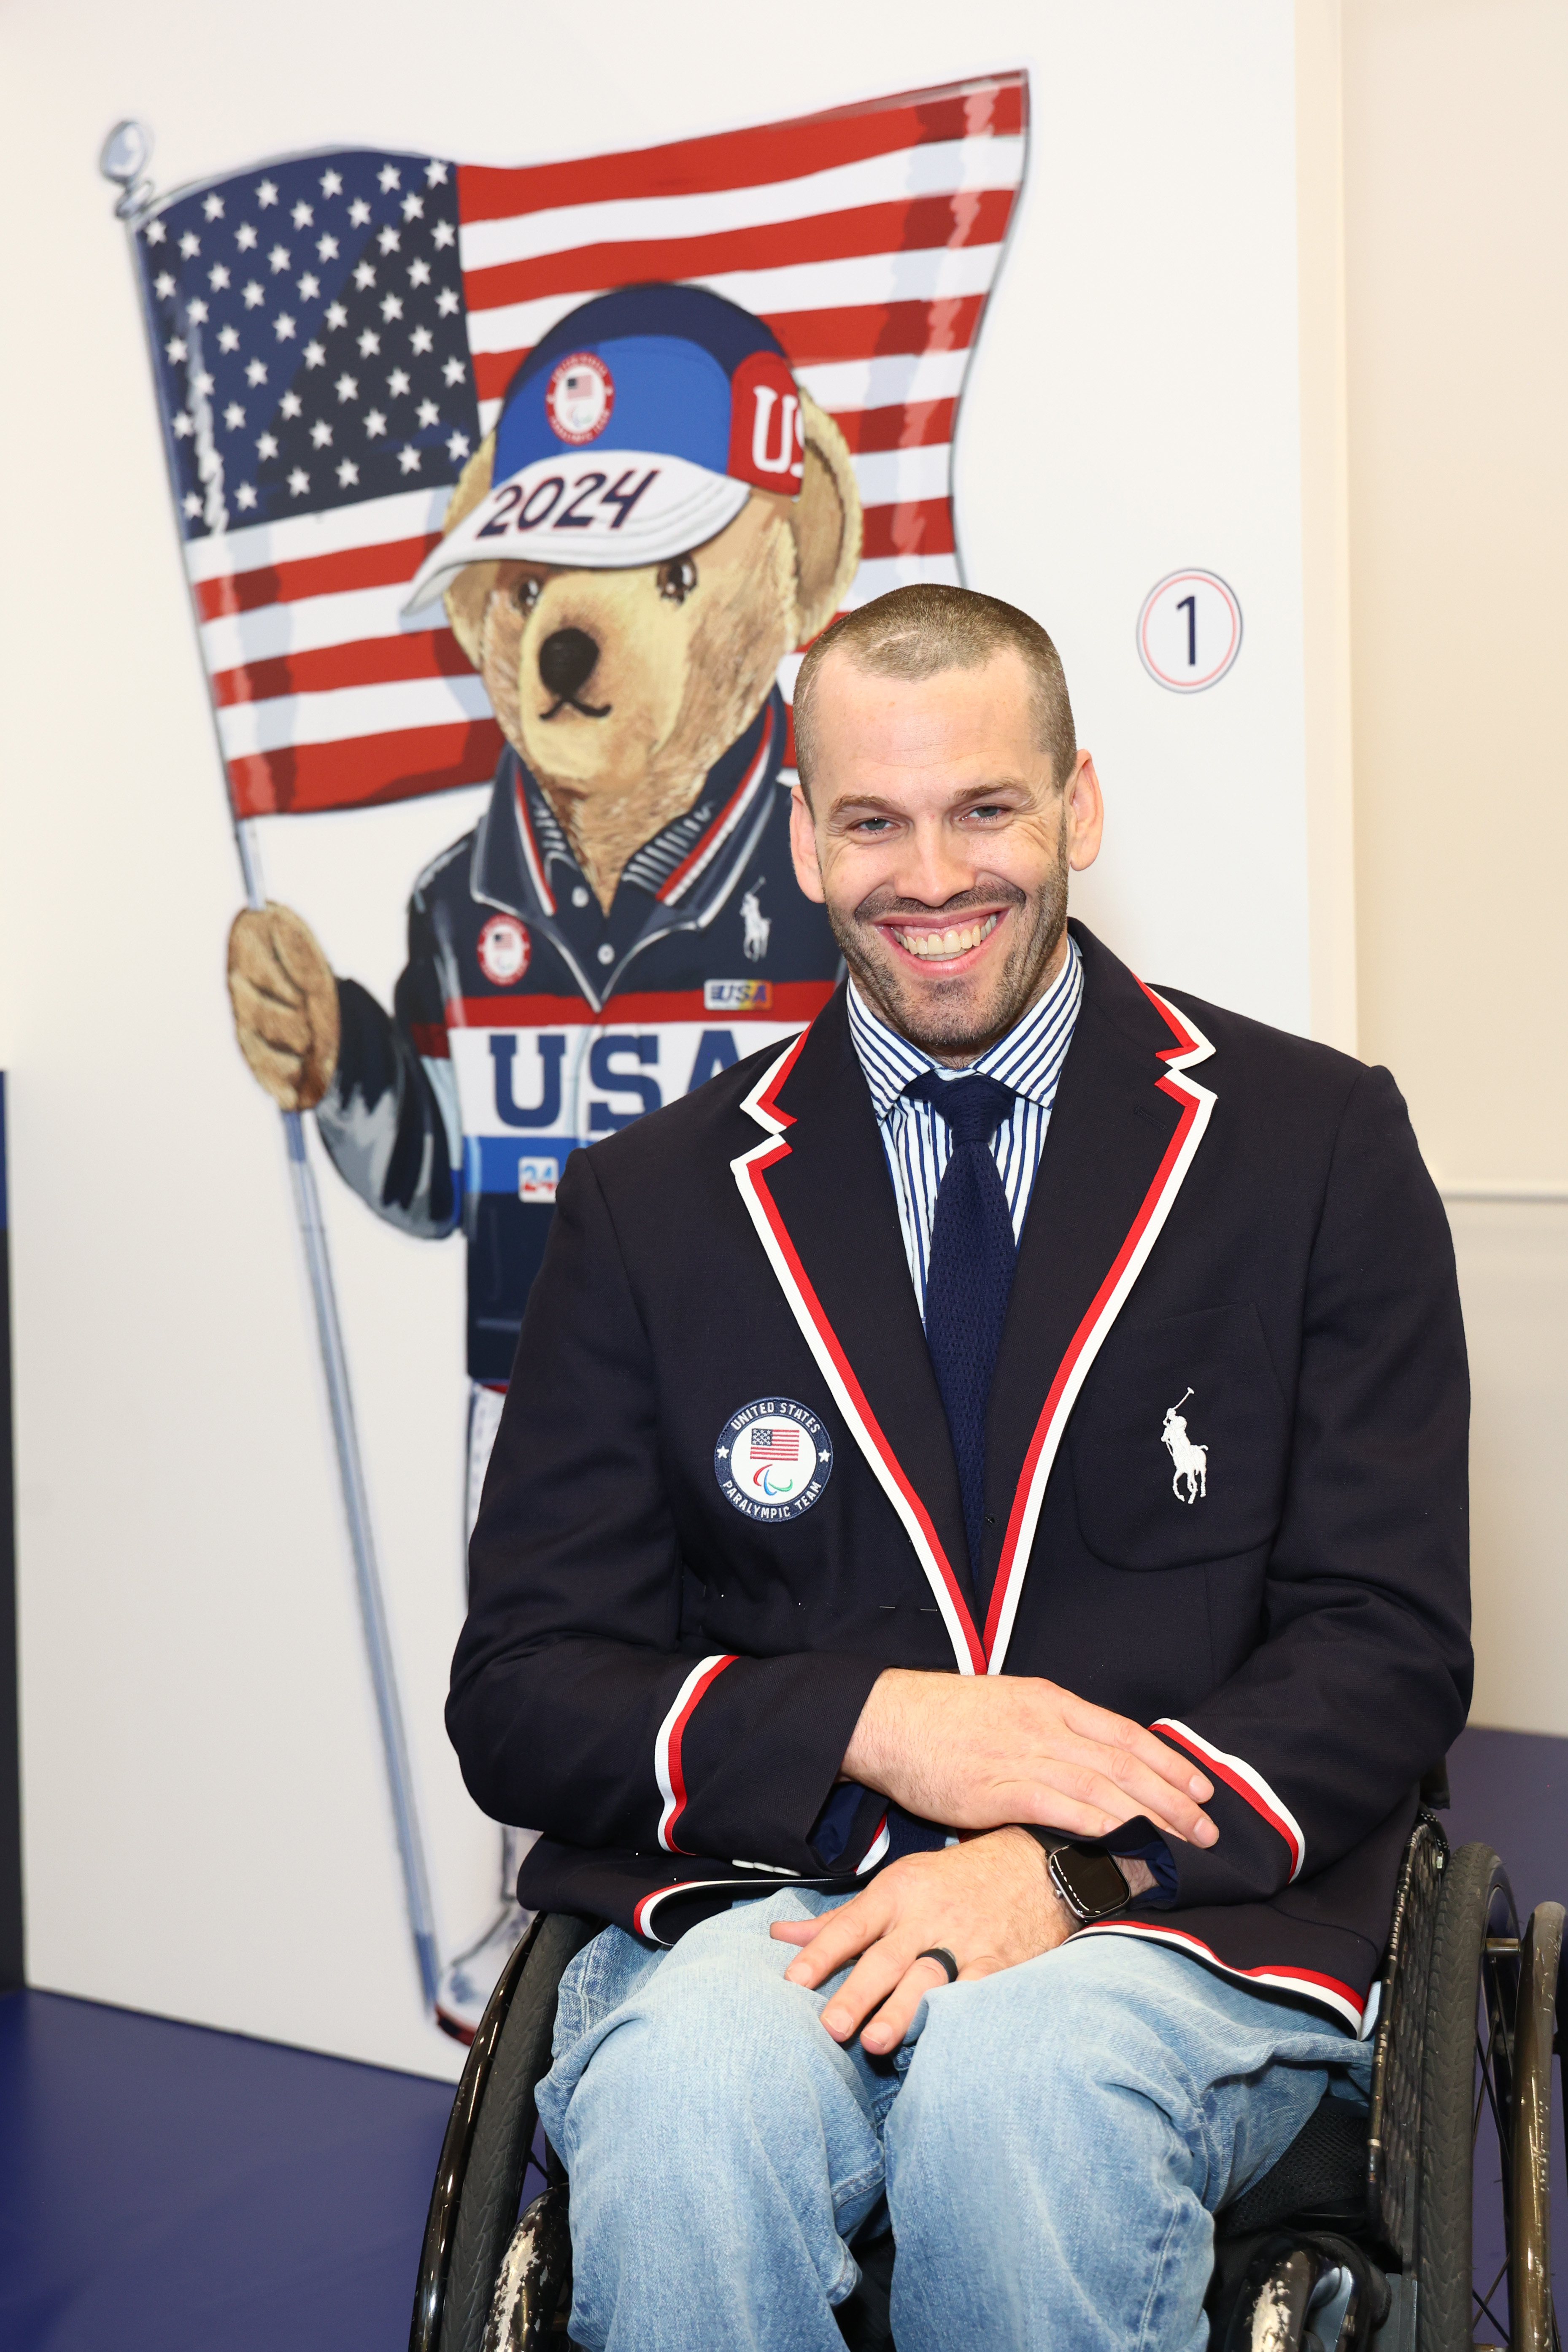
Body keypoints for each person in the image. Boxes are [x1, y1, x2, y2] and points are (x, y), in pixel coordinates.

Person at [448, 585, 1471, 2349]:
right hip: (780, 1899)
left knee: (1024, 2078)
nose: (933, 877)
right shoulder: (652, 1202)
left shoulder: (1315, 1144)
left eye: (986, 808)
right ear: (805, 838)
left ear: (1078, 803)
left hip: (1172, 1924)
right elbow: (526, 1693)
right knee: (688, 2101)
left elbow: (1386, 1642)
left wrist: (1064, 1870)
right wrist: (872, 1723)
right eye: (874, 820)